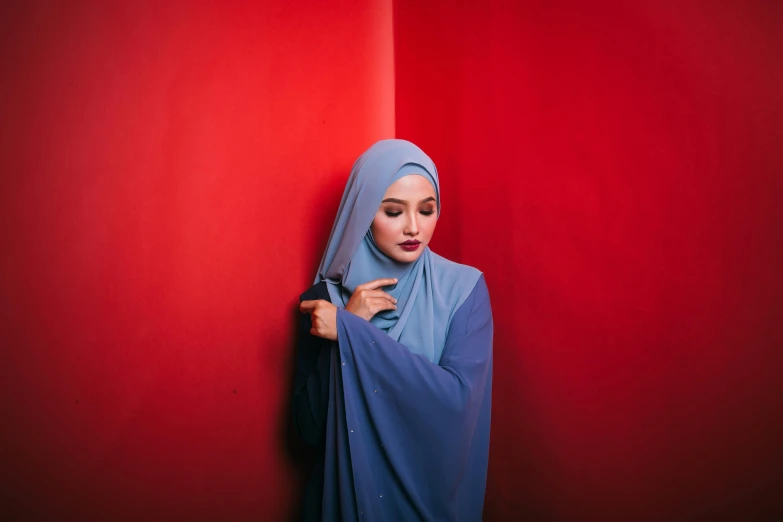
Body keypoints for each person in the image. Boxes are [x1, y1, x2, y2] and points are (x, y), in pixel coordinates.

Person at [293, 139, 493, 521]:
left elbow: (458, 403)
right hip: (342, 499)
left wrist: (351, 334)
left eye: (427, 210)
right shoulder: (324, 302)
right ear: (364, 213)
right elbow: (308, 432)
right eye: (393, 211)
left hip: (426, 504)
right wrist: (348, 322)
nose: (413, 227)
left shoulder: (464, 290)